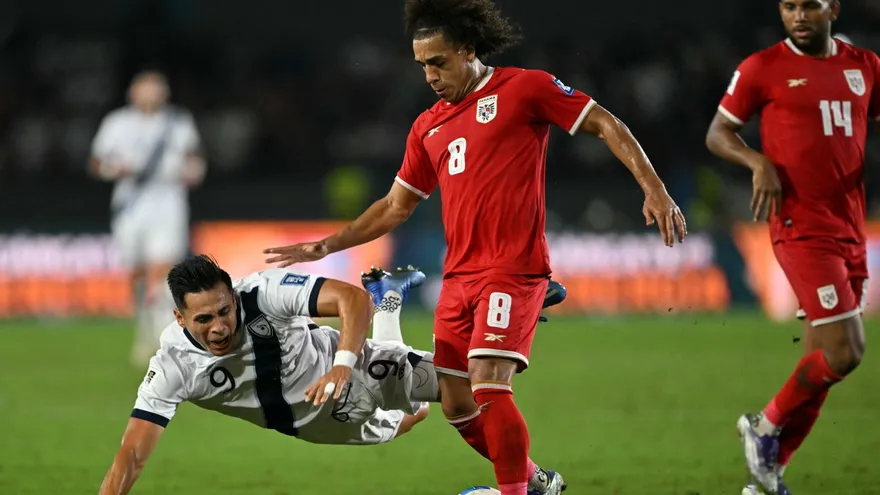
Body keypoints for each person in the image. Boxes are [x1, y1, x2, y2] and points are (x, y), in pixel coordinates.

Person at [263, 1, 688, 494]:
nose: (429, 75)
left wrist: (653, 187)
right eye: (422, 64)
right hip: (459, 276)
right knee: (456, 402)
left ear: (467, 51)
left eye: (438, 62)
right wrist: (328, 244)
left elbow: (604, 123)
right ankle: (535, 483)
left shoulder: (524, 87)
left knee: (488, 382)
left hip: (513, 268)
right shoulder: (428, 126)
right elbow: (394, 207)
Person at [98, 256, 567, 494]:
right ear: (181, 320)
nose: (220, 326)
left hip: (355, 363)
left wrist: (343, 365)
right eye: (204, 320)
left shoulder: (263, 293)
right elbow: (131, 455)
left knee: (465, 385)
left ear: (232, 296)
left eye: (224, 310)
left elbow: (348, 301)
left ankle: (510, 308)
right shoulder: (173, 365)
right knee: (417, 415)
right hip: (322, 425)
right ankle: (391, 298)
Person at [705, 1, 879, 493]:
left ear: (833, 8)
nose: (798, 15)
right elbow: (718, 133)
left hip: (850, 227)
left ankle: (766, 476)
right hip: (799, 226)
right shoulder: (763, 68)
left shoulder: (865, 67)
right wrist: (757, 161)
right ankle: (763, 425)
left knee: (825, 359)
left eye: (809, 5)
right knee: (846, 352)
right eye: (789, 6)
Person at [89, 70, 206, 367]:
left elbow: (195, 159)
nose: (151, 94)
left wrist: (193, 171)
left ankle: (161, 333)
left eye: (156, 88)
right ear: (132, 92)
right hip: (130, 207)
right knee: (138, 273)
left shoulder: (178, 123)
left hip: (169, 204)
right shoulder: (117, 123)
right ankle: (143, 329)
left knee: (164, 269)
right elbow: (97, 162)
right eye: (145, 88)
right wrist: (114, 170)